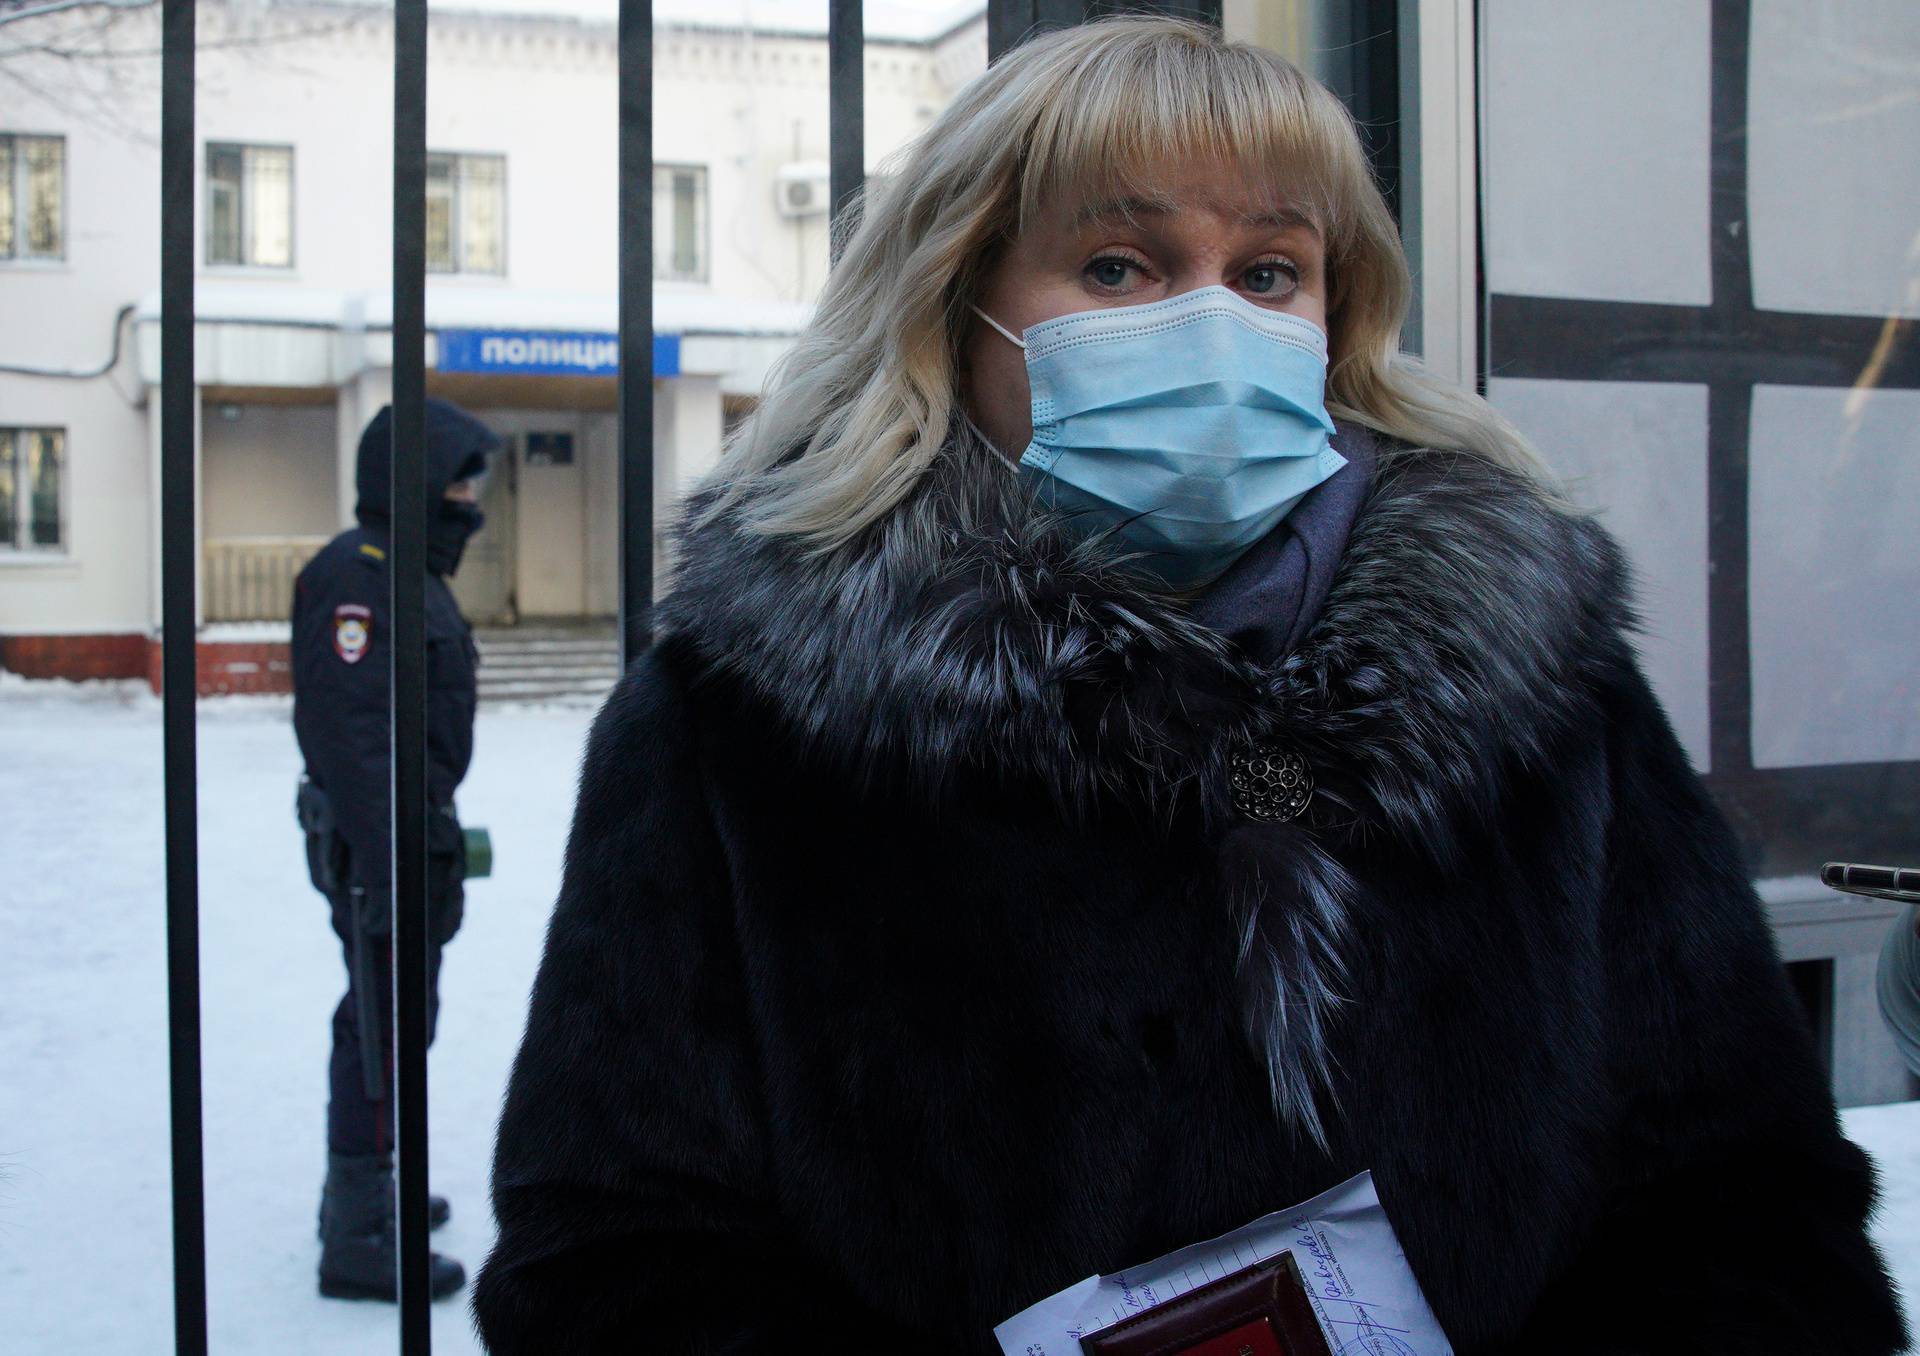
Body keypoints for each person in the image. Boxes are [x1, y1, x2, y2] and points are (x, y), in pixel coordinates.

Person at [473, 18, 1906, 1354]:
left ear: (1335, 317)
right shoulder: (744, 722)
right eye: (1118, 268)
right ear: (959, 304)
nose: (1213, 323)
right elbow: (611, 1253)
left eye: (1270, 271)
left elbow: (1745, 1195)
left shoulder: (1540, 693)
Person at [292, 396, 498, 1302]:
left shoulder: (410, 573)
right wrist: (392, 867)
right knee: (377, 1026)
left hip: (416, 837)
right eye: (456, 481)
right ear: (412, 480)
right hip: (384, 850)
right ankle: (360, 1233)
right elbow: (356, 739)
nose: (468, 499)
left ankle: (377, 1190)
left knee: (405, 1017)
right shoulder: (357, 577)